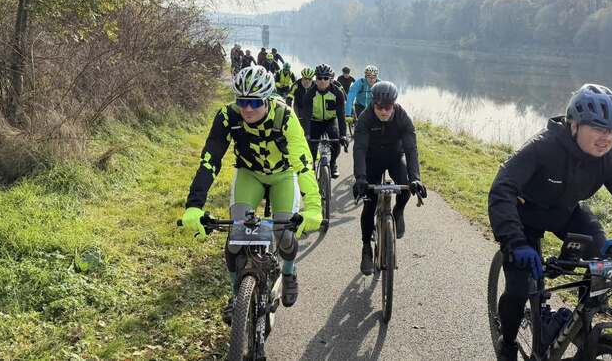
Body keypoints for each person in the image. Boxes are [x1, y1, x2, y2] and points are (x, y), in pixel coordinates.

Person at [487, 83, 612, 361]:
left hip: (565, 212)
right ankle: (507, 343)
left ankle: (574, 324)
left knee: (602, 258)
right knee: (518, 288)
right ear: (574, 125)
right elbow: (502, 189)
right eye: (599, 129)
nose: (607, 138)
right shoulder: (543, 147)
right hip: (524, 216)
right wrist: (514, 241)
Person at [181, 66, 322, 312]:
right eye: (242, 101)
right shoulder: (228, 116)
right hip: (249, 174)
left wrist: (313, 207)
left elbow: (303, 164)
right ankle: (237, 297)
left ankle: (288, 273)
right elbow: (210, 160)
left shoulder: (285, 117)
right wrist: (194, 206)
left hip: (283, 176)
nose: (247, 108)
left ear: (267, 99)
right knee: (235, 238)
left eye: (255, 102)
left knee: (285, 233)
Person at [352, 81, 427, 275]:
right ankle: (366, 247)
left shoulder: (402, 117)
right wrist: (360, 178)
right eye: (380, 107)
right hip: (372, 160)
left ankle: (398, 211)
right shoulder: (365, 118)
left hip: (394, 157)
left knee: (406, 189)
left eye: (388, 106)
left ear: (394, 104)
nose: (384, 111)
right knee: (370, 203)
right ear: (373, 104)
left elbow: (411, 149)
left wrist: (416, 178)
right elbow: (359, 149)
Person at [300, 63, 348, 179]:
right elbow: (306, 116)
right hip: (315, 121)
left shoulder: (337, 93)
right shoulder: (309, 94)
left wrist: (343, 135)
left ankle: (333, 164)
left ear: (330, 79)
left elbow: (341, 116)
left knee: (336, 143)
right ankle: (312, 167)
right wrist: (306, 133)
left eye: (326, 78)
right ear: (315, 79)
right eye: (319, 78)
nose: (322, 81)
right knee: (311, 147)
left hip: (330, 121)